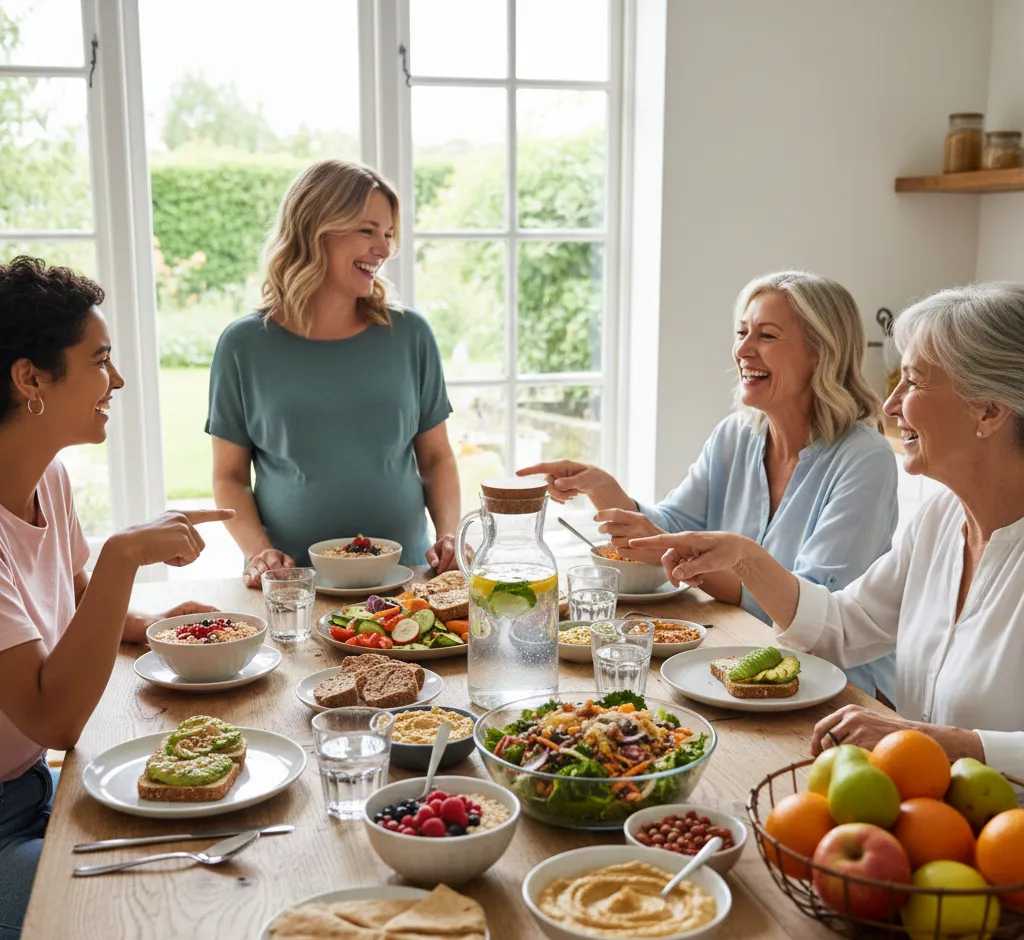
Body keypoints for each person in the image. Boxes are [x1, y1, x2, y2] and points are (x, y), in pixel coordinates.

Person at [634, 283, 1024, 777]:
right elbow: (845, 626)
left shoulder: (870, 464)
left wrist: (939, 742)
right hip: (922, 803)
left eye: (913, 382)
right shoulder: (941, 520)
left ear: (988, 410)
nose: (891, 406)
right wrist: (745, 557)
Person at [520, 271, 899, 701]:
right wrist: (601, 486)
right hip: (736, 660)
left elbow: (815, 612)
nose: (743, 349)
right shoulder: (735, 435)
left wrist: (697, 560)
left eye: (766, 335)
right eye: (741, 332)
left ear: (820, 353)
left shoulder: (865, 459)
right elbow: (672, 526)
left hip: (838, 690)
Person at [0, 257, 232, 939]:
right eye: (101, 361)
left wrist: (150, 625)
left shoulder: (48, 479)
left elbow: (70, 601)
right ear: (30, 378)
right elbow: (56, 721)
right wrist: (122, 556)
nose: (118, 380)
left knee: (211, 846)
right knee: (153, 907)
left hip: (37, 792)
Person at [207, 160, 461, 588]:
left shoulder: (409, 335)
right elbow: (229, 476)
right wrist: (258, 551)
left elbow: (436, 457)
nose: (383, 249)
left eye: (387, 234)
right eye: (367, 230)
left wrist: (449, 535)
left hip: (406, 579)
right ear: (315, 229)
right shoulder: (243, 344)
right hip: (293, 585)